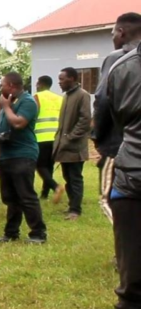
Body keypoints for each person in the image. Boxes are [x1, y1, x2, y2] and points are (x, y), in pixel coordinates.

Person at [107, 17, 141, 309]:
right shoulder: (121, 66)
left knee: (132, 281)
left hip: (132, 177)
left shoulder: (120, 66)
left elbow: (108, 119)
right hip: (132, 180)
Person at [0, 72, 47, 244]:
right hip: (7, 155)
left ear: (11, 85)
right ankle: (11, 233)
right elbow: (3, 129)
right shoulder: (10, 102)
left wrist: (6, 107)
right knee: (10, 197)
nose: (0, 87)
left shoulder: (28, 102)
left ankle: (38, 233)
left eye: (2, 84)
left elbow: (18, 123)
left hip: (22, 154)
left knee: (26, 195)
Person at [94, 13, 141, 198]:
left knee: (111, 200)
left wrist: (98, 137)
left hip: (122, 148)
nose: (112, 38)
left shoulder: (117, 59)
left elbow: (103, 100)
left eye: (113, 33)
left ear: (121, 33)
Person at [53, 67, 91, 220]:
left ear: (73, 79)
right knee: (67, 177)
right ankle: (71, 205)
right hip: (64, 146)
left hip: (75, 147)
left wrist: (70, 137)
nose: (59, 82)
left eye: (62, 79)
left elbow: (85, 120)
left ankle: (75, 210)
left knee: (75, 178)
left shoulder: (83, 95)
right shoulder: (67, 96)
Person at [33, 76, 63, 200]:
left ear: (40, 84)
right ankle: (44, 194)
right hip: (56, 137)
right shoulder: (60, 98)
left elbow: (33, 115)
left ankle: (55, 186)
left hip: (41, 136)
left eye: (37, 84)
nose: (36, 86)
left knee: (39, 165)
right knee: (49, 165)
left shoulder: (37, 97)